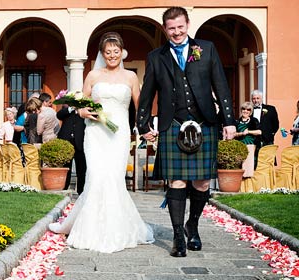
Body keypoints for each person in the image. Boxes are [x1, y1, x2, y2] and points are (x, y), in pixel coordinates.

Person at [137, 7, 237, 258]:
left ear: (187, 24)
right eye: (171, 28)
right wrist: (143, 123)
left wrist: (229, 120)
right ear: (165, 29)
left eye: (180, 27)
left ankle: (193, 224)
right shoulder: (156, 56)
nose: (177, 32)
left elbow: (221, 86)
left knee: (202, 182)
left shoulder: (206, 48)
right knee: (178, 181)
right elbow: (147, 93)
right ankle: (178, 235)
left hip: (204, 121)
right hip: (172, 123)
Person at [48, 32, 154, 253]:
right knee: (95, 177)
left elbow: (140, 106)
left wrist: (145, 129)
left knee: (113, 178)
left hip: (119, 134)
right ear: (103, 54)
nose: (112, 55)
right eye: (108, 52)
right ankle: (89, 230)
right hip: (95, 133)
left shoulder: (131, 78)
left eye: (116, 51)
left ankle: (115, 230)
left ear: (122, 52)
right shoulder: (93, 76)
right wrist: (84, 111)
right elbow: (81, 104)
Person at [56, 104, 86, 194]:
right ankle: (64, 188)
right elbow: (59, 115)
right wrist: (71, 108)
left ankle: (81, 190)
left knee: (81, 169)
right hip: (67, 143)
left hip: (80, 143)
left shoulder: (85, 113)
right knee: (66, 167)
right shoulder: (67, 111)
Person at [234, 102, 261, 177]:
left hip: (251, 146)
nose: (245, 111)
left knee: (249, 167)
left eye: (248, 109)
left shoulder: (254, 121)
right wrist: (241, 134)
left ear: (250, 112)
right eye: (243, 109)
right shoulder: (237, 122)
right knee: (240, 166)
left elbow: (259, 132)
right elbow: (233, 134)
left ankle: (249, 186)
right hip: (239, 146)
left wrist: (248, 131)